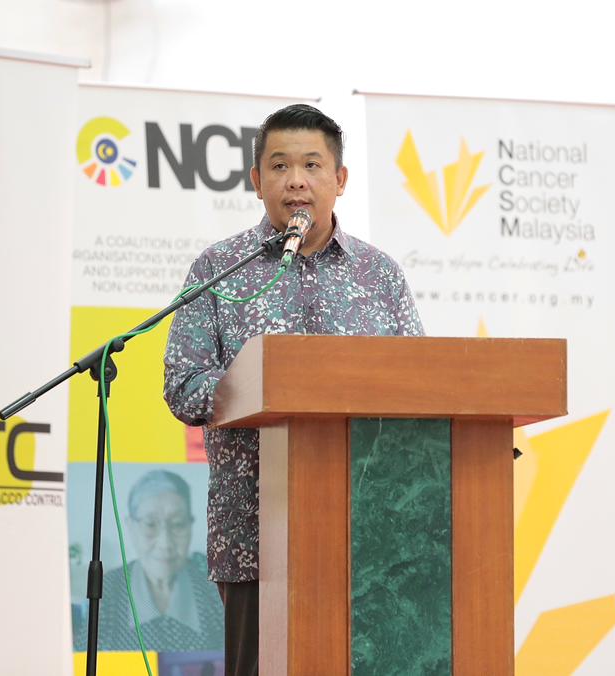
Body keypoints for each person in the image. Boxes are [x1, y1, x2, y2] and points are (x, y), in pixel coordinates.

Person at [163, 104, 424, 676]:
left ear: (340, 179)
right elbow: (183, 385)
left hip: (371, 538)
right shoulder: (218, 269)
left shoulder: (379, 275)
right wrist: (264, 386)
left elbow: (420, 385)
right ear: (257, 181)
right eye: (280, 166)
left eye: (312, 165)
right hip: (255, 535)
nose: (296, 181)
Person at [74, 469, 223, 652]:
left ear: (190, 526)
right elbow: (82, 658)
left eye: (178, 524)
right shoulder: (110, 589)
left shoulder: (213, 587)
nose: (165, 543)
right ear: (131, 527)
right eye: (150, 524)